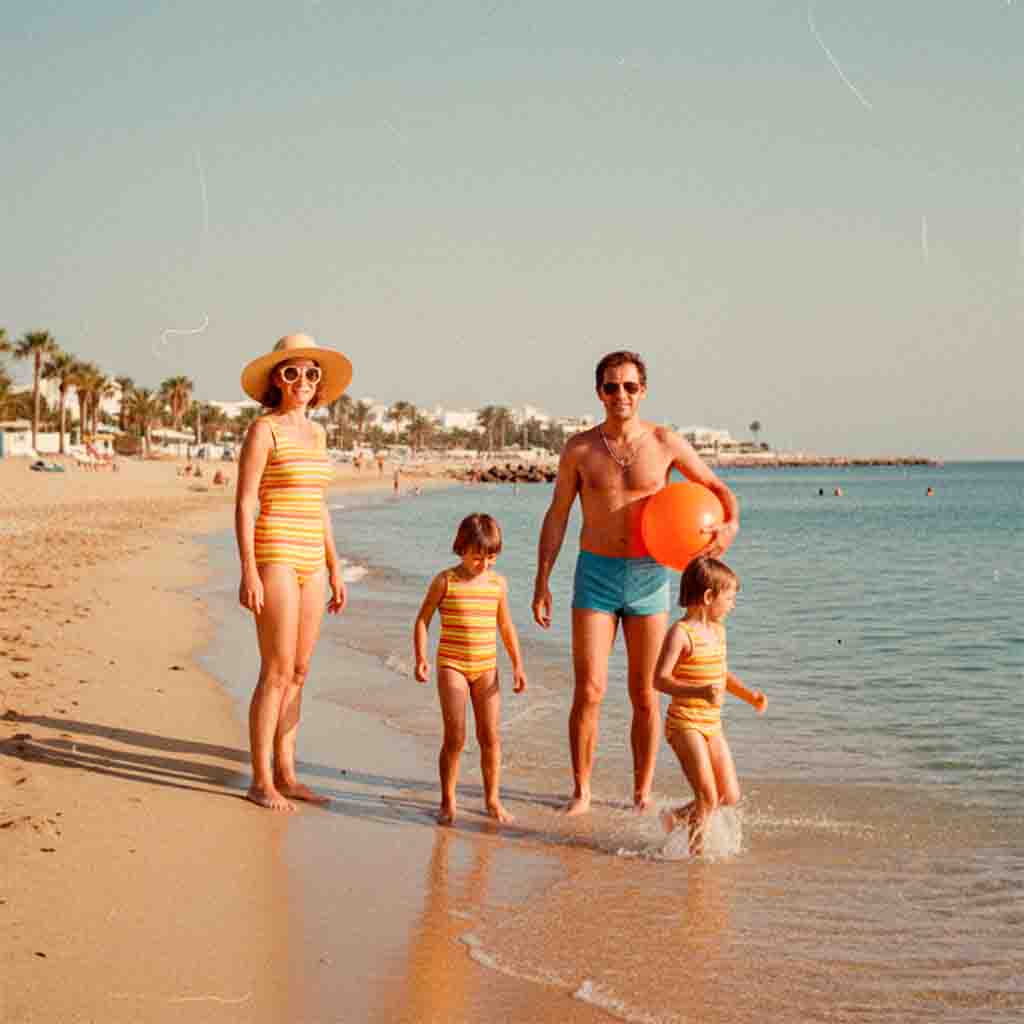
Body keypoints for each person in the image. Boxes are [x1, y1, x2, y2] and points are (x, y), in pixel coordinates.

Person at [532, 351, 739, 815]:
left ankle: (641, 793)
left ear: (643, 390)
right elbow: (558, 514)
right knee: (590, 689)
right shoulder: (580, 449)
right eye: (610, 386)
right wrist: (542, 579)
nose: (620, 395)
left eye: (629, 386)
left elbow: (719, 490)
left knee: (645, 693)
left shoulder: (665, 443)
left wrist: (730, 527)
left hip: (649, 576)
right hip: (596, 576)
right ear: (598, 392)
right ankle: (582, 791)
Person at [235, 333, 353, 811]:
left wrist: (335, 566)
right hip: (276, 551)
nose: (302, 380)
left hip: (312, 556)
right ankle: (260, 780)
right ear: (275, 381)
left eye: (310, 372)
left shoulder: (319, 434)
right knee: (277, 669)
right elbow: (245, 502)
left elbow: (320, 505)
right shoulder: (265, 430)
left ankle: (287, 773)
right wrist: (249, 570)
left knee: (301, 671)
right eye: (291, 372)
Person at [413, 513, 527, 825]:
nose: (484, 564)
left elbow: (505, 625)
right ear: (461, 548)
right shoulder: (445, 581)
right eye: (477, 557)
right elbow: (423, 620)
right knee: (456, 737)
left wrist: (517, 665)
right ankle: (448, 800)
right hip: (453, 664)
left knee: (490, 736)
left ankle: (492, 799)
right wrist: (421, 657)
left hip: (486, 667)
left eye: (491, 557)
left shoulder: (498, 584)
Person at [653, 556, 767, 854]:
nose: (732, 605)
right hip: (684, 724)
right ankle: (697, 861)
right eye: (729, 598)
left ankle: (676, 817)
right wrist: (700, 691)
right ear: (708, 597)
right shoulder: (680, 634)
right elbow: (660, 680)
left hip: (711, 725)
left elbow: (721, 674)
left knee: (728, 796)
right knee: (707, 796)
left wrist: (749, 696)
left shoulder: (718, 631)